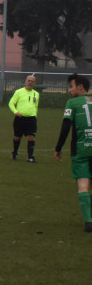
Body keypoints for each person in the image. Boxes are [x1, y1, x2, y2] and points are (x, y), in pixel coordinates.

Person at [53, 73, 92, 233]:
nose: (69, 90)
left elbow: (65, 127)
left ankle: (89, 222)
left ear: (80, 87)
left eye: (71, 86)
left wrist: (58, 148)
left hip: (80, 150)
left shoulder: (72, 103)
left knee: (83, 186)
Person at [8, 74, 40, 162]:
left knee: (31, 137)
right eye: (28, 80)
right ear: (25, 81)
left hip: (31, 119)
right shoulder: (18, 92)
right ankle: (15, 153)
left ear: (34, 83)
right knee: (17, 137)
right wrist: (16, 112)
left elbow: (36, 106)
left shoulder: (36, 94)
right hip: (20, 119)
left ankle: (30, 157)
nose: (30, 82)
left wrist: (35, 116)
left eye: (32, 81)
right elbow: (11, 103)